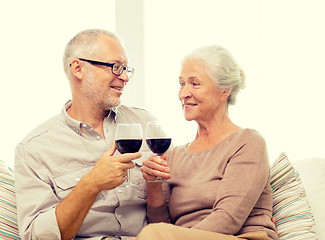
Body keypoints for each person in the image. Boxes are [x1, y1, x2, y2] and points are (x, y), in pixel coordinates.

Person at [14, 29, 156, 240]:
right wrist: (92, 183)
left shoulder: (145, 125)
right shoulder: (33, 150)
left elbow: (173, 207)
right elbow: (38, 236)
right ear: (78, 68)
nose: (125, 77)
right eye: (116, 67)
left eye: (126, 69)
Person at [140, 45, 278, 240]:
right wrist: (153, 187)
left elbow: (227, 219)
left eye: (195, 84)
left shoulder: (247, 143)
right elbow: (160, 226)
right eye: (181, 84)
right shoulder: (173, 155)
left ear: (224, 91)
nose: (183, 94)